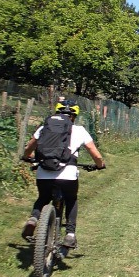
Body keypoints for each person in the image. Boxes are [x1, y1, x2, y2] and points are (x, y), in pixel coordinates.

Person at [20, 102, 105, 249]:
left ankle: (33, 219)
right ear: (74, 116)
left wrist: (27, 157)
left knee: (43, 197)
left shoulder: (44, 128)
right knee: (71, 199)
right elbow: (94, 153)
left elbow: (29, 147)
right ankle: (70, 234)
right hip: (68, 174)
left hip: (44, 173)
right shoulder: (79, 130)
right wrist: (100, 165)